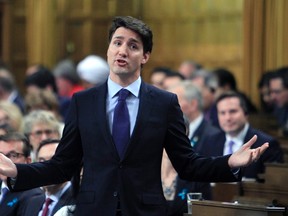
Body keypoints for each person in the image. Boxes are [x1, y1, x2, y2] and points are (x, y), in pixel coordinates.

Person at [0, 16, 268, 216]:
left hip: (145, 210)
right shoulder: (83, 102)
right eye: (117, 43)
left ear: (145, 56)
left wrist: (230, 162)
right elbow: (62, 165)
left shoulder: (164, 103)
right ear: (108, 50)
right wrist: (18, 171)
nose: (123, 51)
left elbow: (187, 164)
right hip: (94, 209)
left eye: (133, 46)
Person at [198, 91, 283, 180]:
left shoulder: (267, 144)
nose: (228, 118)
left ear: (246, 114)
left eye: (233, 111)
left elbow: (272, 184)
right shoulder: (209, 141)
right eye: (222, 113)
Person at [23, 139, 74, 216]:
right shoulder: (32, 202)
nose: (46, 168)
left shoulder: (78, 199)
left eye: (53, 161)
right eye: (42, 161)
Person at [0, 132, 43, 216]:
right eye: (0, 156)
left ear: (28, 161)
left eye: (13, 155)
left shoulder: (34, 196)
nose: (4, 162)